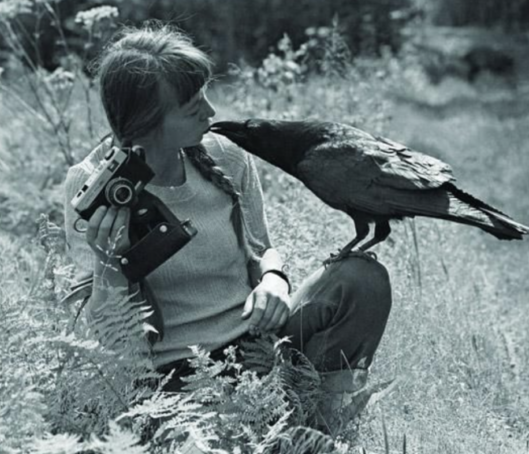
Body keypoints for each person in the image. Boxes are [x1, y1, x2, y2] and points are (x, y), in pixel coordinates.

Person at [63, 23, 392, 430]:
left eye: (205, 95)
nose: (212, 112)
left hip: (257, 341)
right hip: (179, 379)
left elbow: (262, 249)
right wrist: (108, 264)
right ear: (149, 122)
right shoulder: (94, 187)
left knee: (363, 278)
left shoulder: (224, 155)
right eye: (192, 107)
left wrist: (274, 280)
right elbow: (115, 347)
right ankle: (287, 436)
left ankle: (326, 430)